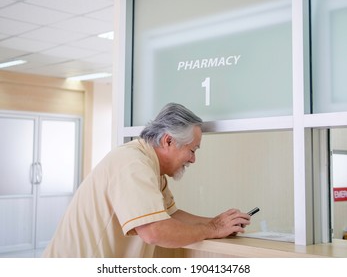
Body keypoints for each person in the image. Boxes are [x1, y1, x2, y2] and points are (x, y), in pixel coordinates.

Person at [42, 102, 251, 258]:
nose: (193, 159)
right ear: (168, 140)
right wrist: (213, 229)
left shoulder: (151, 166)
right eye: (192, 150)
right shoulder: (132, 164)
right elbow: (154, 231)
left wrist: (218, 222)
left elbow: (171, 215)